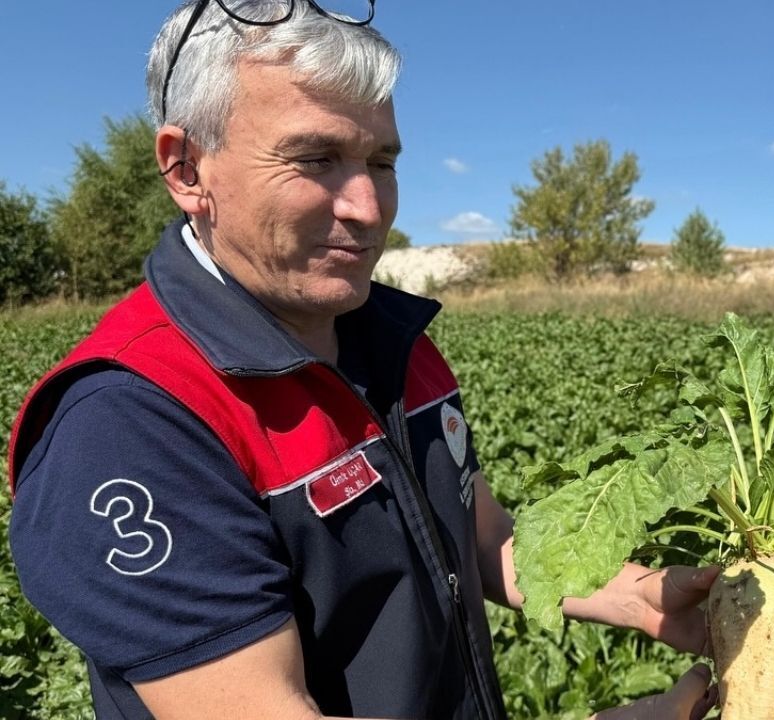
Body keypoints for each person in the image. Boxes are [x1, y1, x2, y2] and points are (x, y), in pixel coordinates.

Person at [6, 1, 718, 718]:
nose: (369, 208)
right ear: (187, 170)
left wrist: (642, 599)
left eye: (381, 162)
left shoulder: (394, 338)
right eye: (316, 159)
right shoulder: (130, 423)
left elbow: (481, 538)